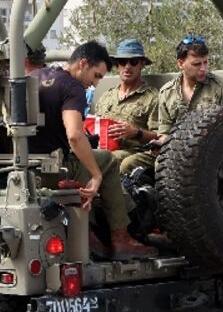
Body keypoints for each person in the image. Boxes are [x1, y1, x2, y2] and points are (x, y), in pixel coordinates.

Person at [30, 41, 155, 260]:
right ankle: (120, 238)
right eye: (96, 76)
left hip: (26, 168)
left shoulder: (37, 76)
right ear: (83, 63)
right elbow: (75, 135)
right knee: (107, 160)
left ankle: (91, 230)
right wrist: (96, 175)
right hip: (53, 168)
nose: (94, 84)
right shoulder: (73, 87)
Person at [90, 38, 158, 175]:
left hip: (135, 152)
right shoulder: (106, 96)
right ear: (117, 65)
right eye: (122, 62)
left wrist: (136, 133)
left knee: (111, 160)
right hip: (104, 148)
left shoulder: (152, 98)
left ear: (142, 65)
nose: (127, 67)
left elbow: (159, 137)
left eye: (133, 62)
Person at [150, 36, 223, 136]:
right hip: (177, 145)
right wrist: (161, 141)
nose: (203, 69)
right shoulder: (167, 93)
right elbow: (164, 132)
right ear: (180, 64)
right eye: (196, 64)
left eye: (205, 62)